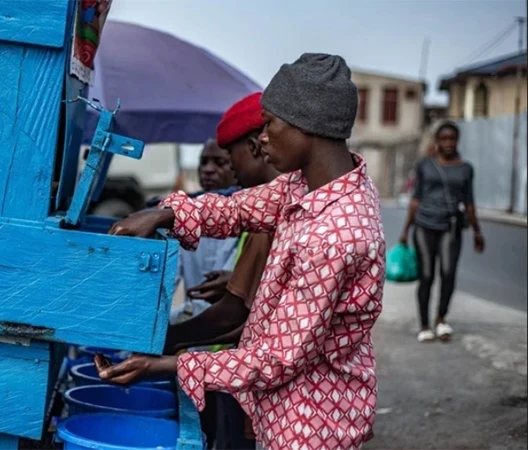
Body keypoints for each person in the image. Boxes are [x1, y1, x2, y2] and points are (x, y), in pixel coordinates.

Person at [97, 53, 385, 450]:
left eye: (269, 124)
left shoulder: (335, 236)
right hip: (286, 411)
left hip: (310, 427)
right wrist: (163, 213)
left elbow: (278, 358)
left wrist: (166, 364)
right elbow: (238, 208)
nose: (262, 137)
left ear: (306, 124)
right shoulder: (305, 187)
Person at [164, 92, 280, 450]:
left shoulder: (272, 212)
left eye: (230, 159)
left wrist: (170, 344)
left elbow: (237, 311)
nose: (230, 171)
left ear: (256, 147)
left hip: (250, 376)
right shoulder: (269, 208)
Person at [398, 121, 485, 343]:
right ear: (437, 141)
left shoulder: (466, 169)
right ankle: (425, 324)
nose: (448, 143)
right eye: (443, 139)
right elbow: (415, 199)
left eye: (452, 139)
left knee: (448, 274)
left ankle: (441, 319)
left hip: (451, 226)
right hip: (424, 226)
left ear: (457, 140)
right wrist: (406, 231)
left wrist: (477, 231)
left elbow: (470, 203)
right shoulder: (424, 165)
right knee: (426, 276)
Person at [167, 139, 241, 326]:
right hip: (193, 334)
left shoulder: (254, 220)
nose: (208, 169)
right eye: (204, 162)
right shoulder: (184, 219)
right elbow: (166, 284)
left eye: (219, 162)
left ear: (238, 166)